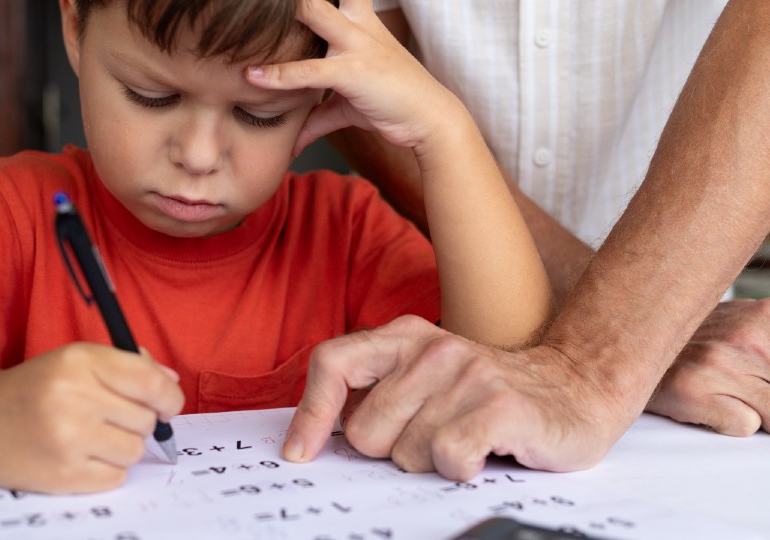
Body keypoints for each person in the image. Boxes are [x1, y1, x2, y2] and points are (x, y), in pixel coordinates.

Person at [0, 0, 553, 493]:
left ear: (325, 97)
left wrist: (444, 135)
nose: (198, 156)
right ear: (74, 26)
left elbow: (510, 370)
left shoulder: (345, 229)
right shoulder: (16, 216)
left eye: (260, 116)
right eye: (151, 96)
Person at [250, 0, 770, 479]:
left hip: (695, 363)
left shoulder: (344, 229)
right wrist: (614, 347)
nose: (199, 155)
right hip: (668, 356)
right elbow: (348, 56)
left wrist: (608, 355)